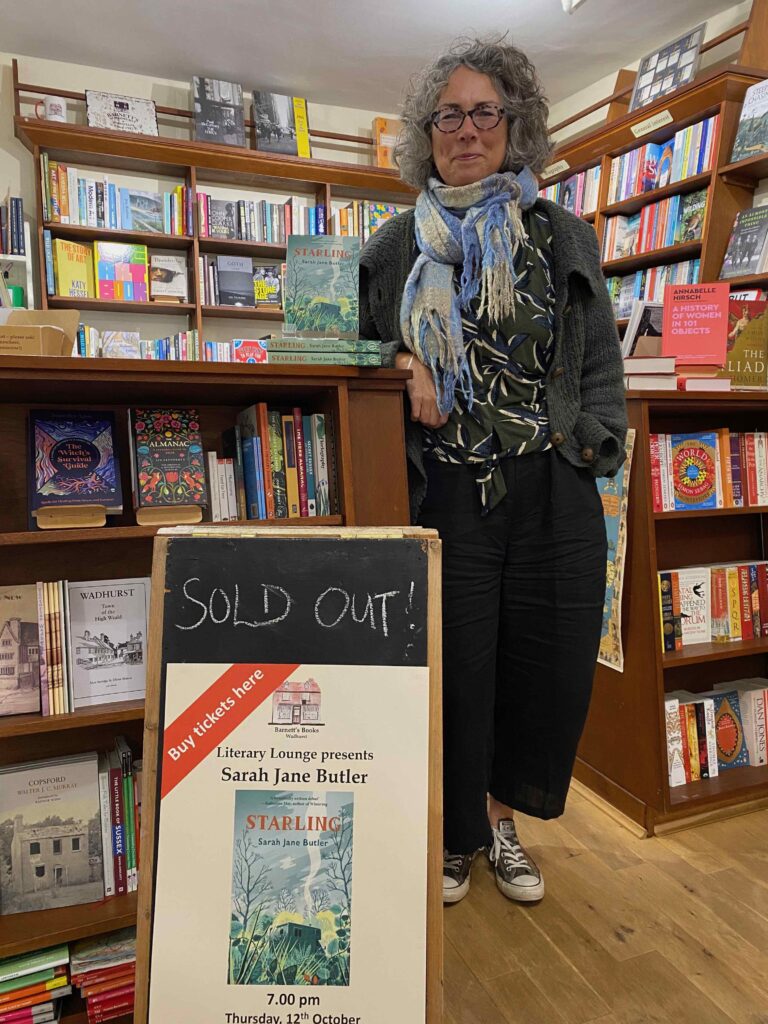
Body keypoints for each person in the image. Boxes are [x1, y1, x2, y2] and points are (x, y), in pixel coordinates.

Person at [359, 37, 627, 906]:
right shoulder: (398, 243)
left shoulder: (561, 235)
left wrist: (590, 441)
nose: (466, 130)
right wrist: (402, 363)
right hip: (446, 491)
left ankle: (501, 825)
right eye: (449, 115)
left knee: (539, 673)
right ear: (425, 132)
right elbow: (352, 347)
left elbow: (595, 365)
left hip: (551, 490)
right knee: (456, 669)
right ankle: (455, 837)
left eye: (485, 112)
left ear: (516, 125)